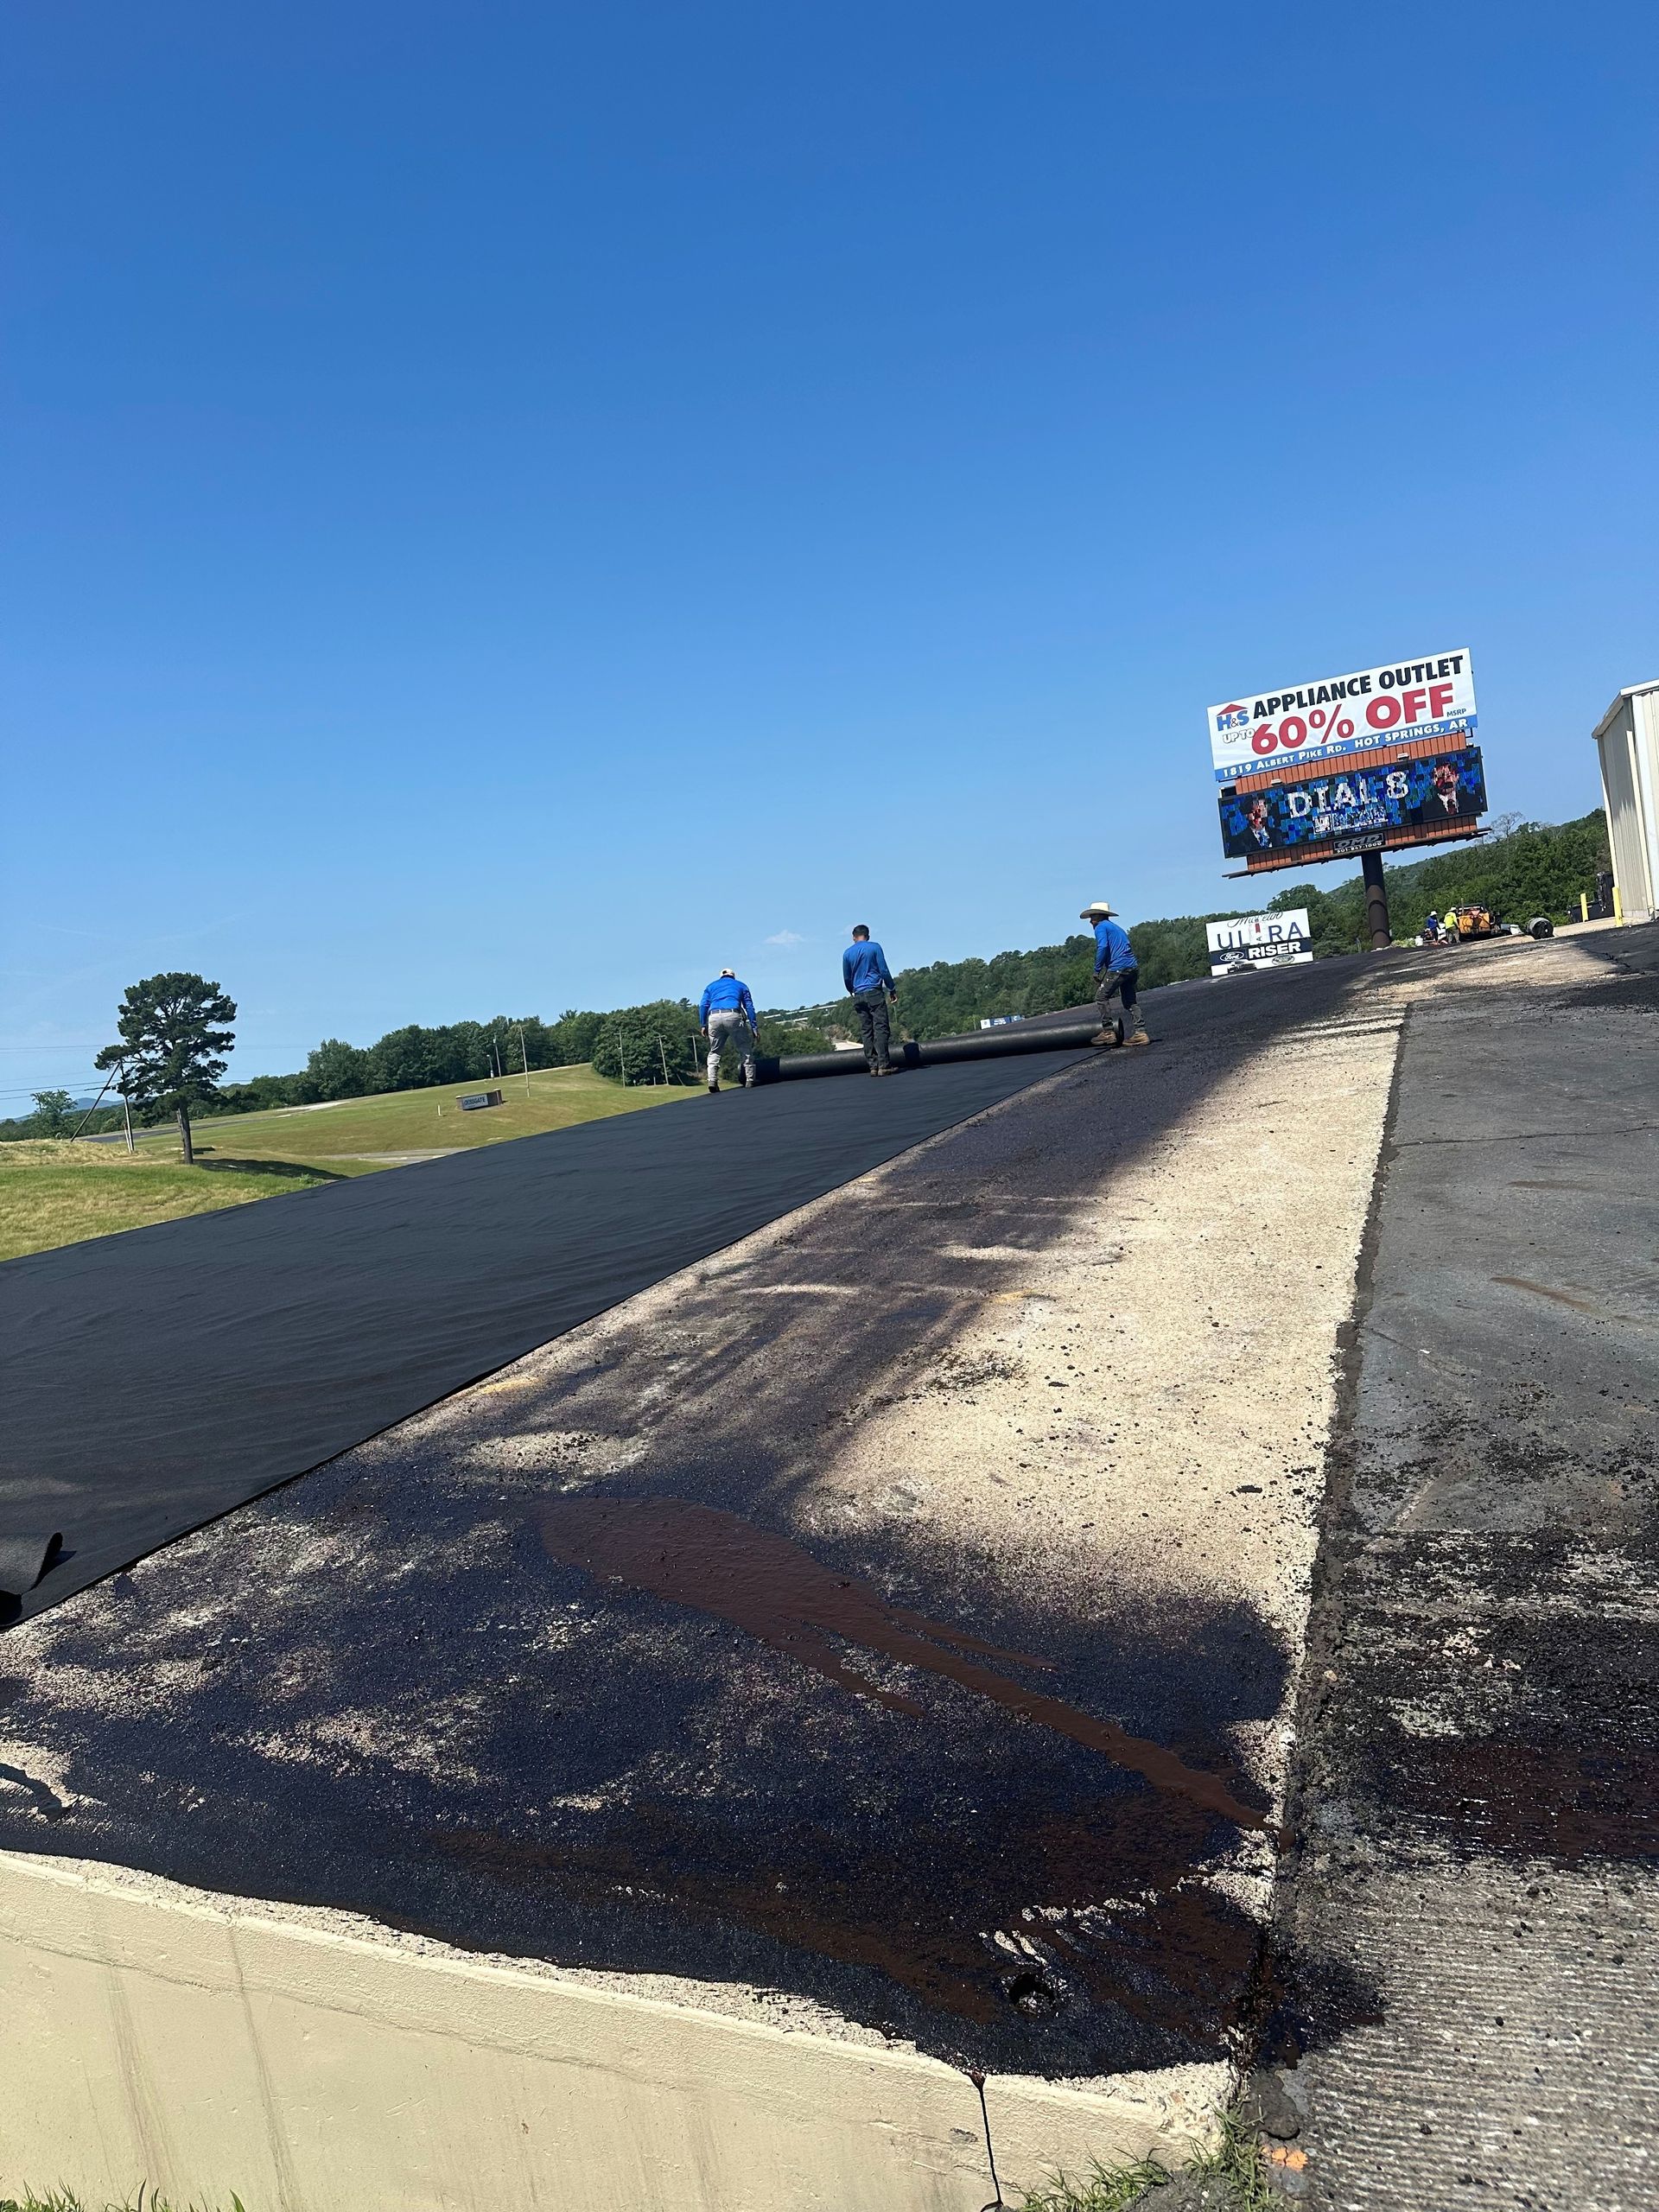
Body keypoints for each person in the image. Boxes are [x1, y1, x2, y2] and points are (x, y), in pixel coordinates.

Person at [1080, 899, 1149, 1048]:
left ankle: (1108, 1031)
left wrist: (1097, 970)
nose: (1091, 921)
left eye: (1092, 917)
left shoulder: (1101, 927)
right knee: (1130, 1001)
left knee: (1101, 996)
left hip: (1119, 967)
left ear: (1099, 916)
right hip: (1132, 967)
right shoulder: (1116, 928)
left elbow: (1103, 947)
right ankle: (1141, 1033)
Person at [842, 925, 898, 1075]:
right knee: (881, 1028)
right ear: (868, 936)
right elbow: (884, 971)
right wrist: (892, 989)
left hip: (858, 995)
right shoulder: (874, 948)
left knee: (866, 1031)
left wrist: (851, 990)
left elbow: (847, 977)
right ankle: (884, 1066)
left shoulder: (847, 954)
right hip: (874, 993)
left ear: (854, 937)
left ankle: (872, 1066)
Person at [698, 968, 759, 1094]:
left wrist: (703, 1025)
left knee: (714, 1051)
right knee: (744, 1047)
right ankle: (750, 1079)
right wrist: (754, 1027)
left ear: (721, 976)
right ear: (733, 976)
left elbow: (703, 1005)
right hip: (733, 1015)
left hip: (713, 1017)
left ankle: (712, 1081)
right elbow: (749, 1006)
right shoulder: (741, 986)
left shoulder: (711, 986)